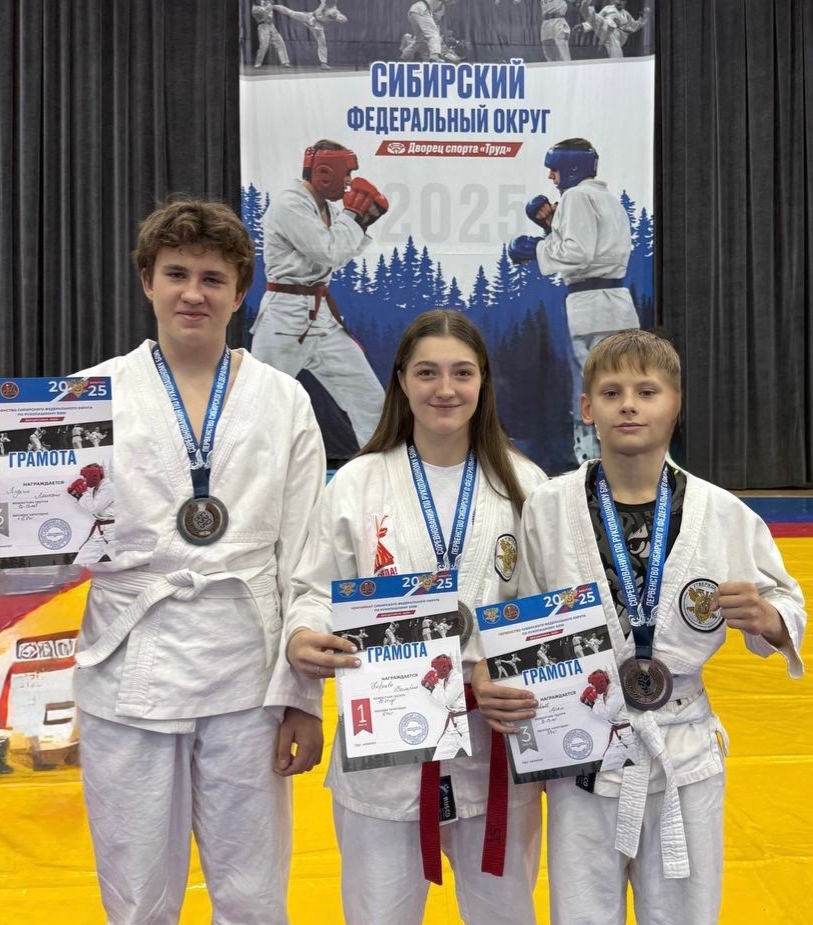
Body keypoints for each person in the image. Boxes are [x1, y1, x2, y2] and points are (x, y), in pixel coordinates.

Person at [475, 329, 806, 925]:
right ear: (587, 408)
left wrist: (771, 620)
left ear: (675, 404)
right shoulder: (549, 507)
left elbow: (786, 600)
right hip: (582, 748)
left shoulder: (722, 512)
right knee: (581, 914)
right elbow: (516, 611)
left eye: (647, 392)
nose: (628, 405)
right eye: (611, 392)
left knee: (684, 913)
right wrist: (496, 670)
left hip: (684, 750)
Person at [71, 198, 325, 925]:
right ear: (146, 281)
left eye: (213, 278)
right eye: (176, 273)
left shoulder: (284, 400)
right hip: (129, 663)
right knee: (136, 896)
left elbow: (306, 558)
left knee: (253, 896)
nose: (193, 293)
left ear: (240, 293)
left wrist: (303, 699)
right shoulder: (86, 396)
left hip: (247, 671)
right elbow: (48, 544)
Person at [267, 309, 547, 924]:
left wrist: (506, 665)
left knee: (506, 914)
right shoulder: (358, 483)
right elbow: (314, 588)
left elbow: (546, 608)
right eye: (427, 372)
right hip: (386, 741)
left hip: (492, 743)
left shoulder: (525, 485)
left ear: (483, 381)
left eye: (462, 373)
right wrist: (303, 635)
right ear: (400, 380)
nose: (445, 389)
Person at [251, 139, 388, 453]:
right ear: (326, 172)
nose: (350, 181)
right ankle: (251, 472)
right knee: (261, 404)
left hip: (321, 317)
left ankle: (380, 469)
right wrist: (354, 218)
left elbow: (338, 255)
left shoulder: (329, 209)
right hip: (284, 318)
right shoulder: (290, 204)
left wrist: (360, 221)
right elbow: (329, 251)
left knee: (369, 399)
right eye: (347, 173)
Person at [508, 137, 639, 465]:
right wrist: (553, 228)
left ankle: (589, 461)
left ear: (570, 167)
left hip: (590, 306)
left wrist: (536, 249)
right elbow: (592, 246)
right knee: (623, 384)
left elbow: (578, 253)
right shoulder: (609, 200)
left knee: (591, 387)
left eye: (554, 169)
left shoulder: (576, 196)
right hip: (618, 304)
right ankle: (626, 455)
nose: (551, 177)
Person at [272, 1, 347, 70]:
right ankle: (273, 6)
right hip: (309, 17)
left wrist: (335, 18)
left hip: (318, 27)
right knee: (291, 13)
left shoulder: (334, 11)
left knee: (322, 43)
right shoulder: (324, 2)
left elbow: (344, 19)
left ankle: (323, 63)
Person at [422, 653, 469, 760]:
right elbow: (442, 703)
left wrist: (435, 686)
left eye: (436, 668)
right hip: (452, 726)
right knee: (438, 760)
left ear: (444, 667)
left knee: (480, 757)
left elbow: (446, 700)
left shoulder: (457, 679)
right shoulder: (446, 680)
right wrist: (430, 689)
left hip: (465, 725)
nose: (435, 671)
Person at [67, 463, 116, 564]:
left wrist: (83, 494)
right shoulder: (96, 488)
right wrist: (78, 496)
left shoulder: (109, 488)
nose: (84, 480)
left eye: (86, 477)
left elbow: (95, 508)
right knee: (79, 563)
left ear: (93, 476)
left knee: (122, 563)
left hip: (111, 532)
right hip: (99, 532)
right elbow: (90, 509)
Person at [579, 0, 650, 58]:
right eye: (618, 0)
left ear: (625, 2)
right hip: (607, 30)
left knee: (614, 43)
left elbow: (635, 26)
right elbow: (596, 20)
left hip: (620, 36)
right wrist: (583, 26)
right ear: (614, 1)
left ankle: (617, 63)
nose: (620, 2)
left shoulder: (626, 14)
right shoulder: (608, 8)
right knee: (600, 20)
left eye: (622, 1)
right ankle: (585, 7)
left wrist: (643, 18)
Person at [252, 0, 291, 68]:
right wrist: (268, 6)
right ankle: (258, 63)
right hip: (263, 26)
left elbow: (271, 5)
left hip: (271, 26)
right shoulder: (255, 9)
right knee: (264, 45)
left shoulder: (265, 4)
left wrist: (270, 4)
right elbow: (263, 13)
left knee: (280, 42)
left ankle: (285, 62)